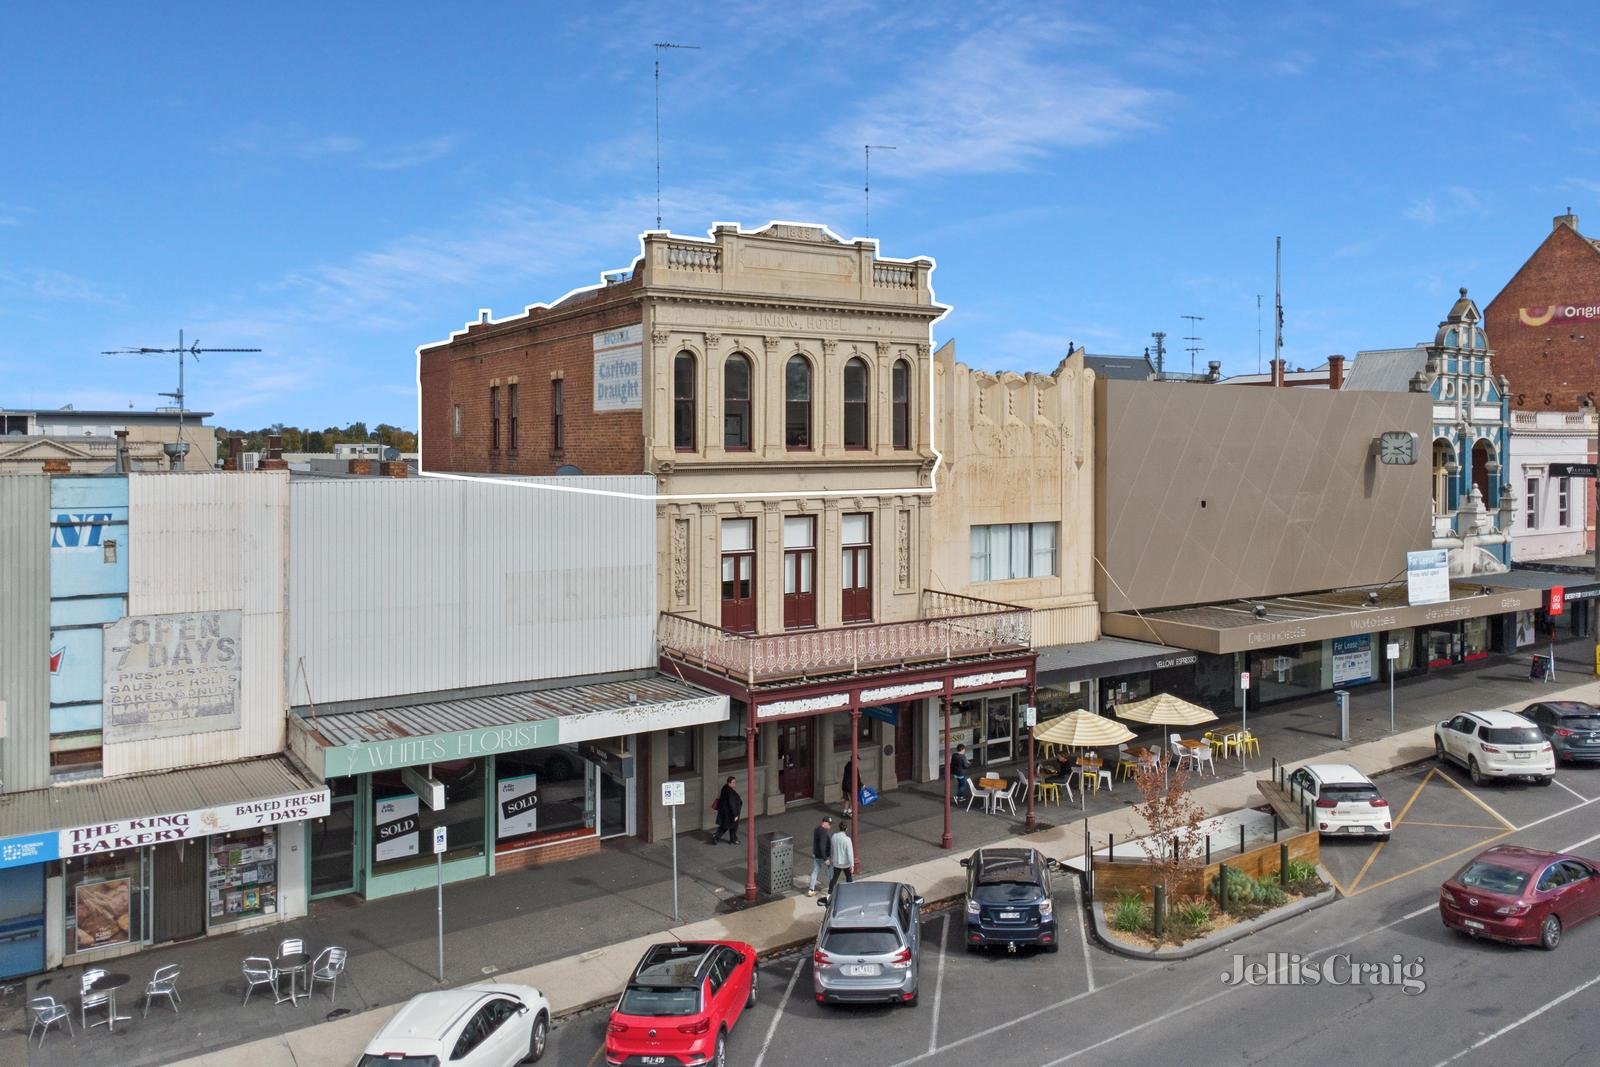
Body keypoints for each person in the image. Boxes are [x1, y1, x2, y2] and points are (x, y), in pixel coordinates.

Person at [710, 776, 742, 845]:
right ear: (729, 783)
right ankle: (717, 837)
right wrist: (735, 815)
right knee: (728, 826)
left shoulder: (725, 788)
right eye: (733, 782)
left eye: (735, 782)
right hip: (730, 813)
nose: (734, 784)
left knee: (729, 826)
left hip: (725, 812)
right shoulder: (730, 792)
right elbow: (732, 804)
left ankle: (732, 839)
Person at [806, 815, 832, 896]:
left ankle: (811, 889)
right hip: (823, 856)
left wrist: (814, 852)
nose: (830, 826)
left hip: (817, 854)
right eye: (829, 824)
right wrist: (825, 858)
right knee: (828, 872)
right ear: (824, 823)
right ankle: (832, 889)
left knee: (815, 871)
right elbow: (822, 846)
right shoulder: (824, 832)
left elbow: (816, 843)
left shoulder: (817, 829)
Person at [828, 819, 855, 895]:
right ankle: (849, 892)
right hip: (845, 862)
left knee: (834, 878)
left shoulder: (834, 836)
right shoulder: (847, 839)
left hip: (836, 862)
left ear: (839, 828)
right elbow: (850, 853)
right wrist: (852, 865)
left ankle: (829, 893)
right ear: (846, 829)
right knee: (848, 877)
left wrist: (832, 858)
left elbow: (832, 848)